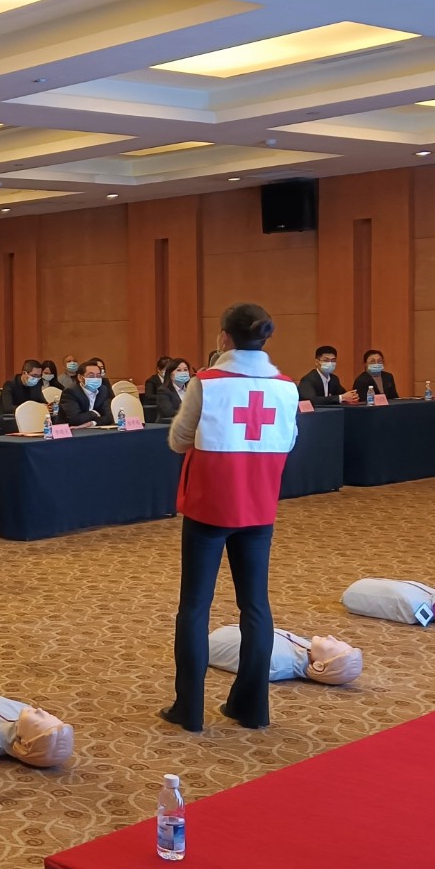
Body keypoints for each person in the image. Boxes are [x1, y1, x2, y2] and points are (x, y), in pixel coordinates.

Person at [163, 302, 298, 732]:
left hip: (210, 505)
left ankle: (189, 709)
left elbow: (179, 439)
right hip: (259, 506)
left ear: (223, 337)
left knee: (194, 606)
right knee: (255, 605)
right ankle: (251, 707)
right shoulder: (287, 387)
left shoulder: (207, 382)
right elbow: (289, 441)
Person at [57, 361, 113, 426]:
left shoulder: (103, 390)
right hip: (71, 430)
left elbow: (109, 418)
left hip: (94, 428)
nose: (95, 379)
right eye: (91, 376)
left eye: (98, 376)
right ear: (80, 378)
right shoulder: (70, 392)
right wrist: (94, 413)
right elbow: (75, 419)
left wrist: (93, 423)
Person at [154, 358, 193, 423]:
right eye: (179, 370)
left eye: (185, 370)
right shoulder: (163, 391)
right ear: (170, 373)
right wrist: (190, 413)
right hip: (171, 425)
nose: (183, 372)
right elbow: (168, 412)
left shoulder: (192, 390)